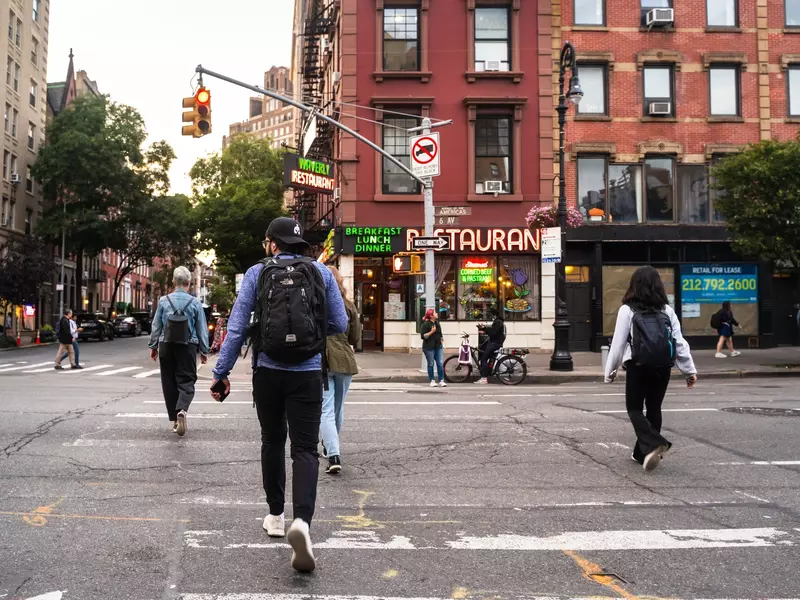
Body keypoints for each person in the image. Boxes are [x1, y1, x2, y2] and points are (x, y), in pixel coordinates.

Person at [210, 217, 347, 573]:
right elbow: (339, 325)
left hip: (268, 372)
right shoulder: (321, 273)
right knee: (304, 449)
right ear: (299, 243)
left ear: (272, 243)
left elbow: (238, 326)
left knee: (271, 441)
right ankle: (302, 522)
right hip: (307, 373)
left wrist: (221, 373)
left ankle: (275, 516)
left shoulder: (258, 273)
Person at [604, 266, 697, 471]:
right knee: (654, 408)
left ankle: (654, 443)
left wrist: (610, 371)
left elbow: (618, 344)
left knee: (634, 408)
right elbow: (679, 342)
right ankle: (641, 454)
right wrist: (689, 370)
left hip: (638, 365)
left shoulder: (627, 309)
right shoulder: (667, 310)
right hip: (663, 366)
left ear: (634, 285)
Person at [148, 266, 209, 437]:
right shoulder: (195, 303)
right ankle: (182, 410)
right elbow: (201, 329)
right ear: (189, 283)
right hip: (187, 345)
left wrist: (153, 346)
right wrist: (204, 350)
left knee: (169, 382)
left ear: (174, 282)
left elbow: (156, 326)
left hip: (166, 345)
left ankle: (175, 418)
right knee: (187, 380)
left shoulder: (163, 301)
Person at [320, 265, 362, 475]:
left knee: (326, 409)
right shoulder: (349, 305)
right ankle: (330, 447)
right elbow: (355, 337)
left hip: (324, 360)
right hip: (345, 360)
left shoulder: (317, 304)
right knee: (338, 409)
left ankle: (333, 453)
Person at [475, 310, 506, 385]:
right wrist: (484, 328)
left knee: (483, 358)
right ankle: (488, 371)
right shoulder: (498, 321)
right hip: (495, 342)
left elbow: (493, 332)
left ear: (494, 315)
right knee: (488, 358)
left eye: (490, 315)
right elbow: (493, 330)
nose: (490, 317)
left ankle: (484, 378)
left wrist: (484, 330)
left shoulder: (498, 322)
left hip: (494, 343)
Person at [420, 308, 445, 388]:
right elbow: (423, 336)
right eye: (435, 313)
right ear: (431, 316)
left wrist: (441, 339)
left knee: (440, 363)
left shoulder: (437, 323)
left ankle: (441, 380)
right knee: (431, 364)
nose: (437, 313)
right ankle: (432, 380)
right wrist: (431, 332)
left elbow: (440, 333)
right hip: (429, 347)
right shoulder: (426, 324)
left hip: (438, 346)